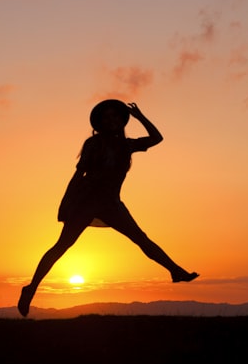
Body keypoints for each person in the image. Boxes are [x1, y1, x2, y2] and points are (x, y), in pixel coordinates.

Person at [18, 100, 198, 317]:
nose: (111, 120)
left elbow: (157, 138)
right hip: (86, 201)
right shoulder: (93, 144)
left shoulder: (126, 145)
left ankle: (175, 271)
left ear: (122, 121)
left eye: (116, 117)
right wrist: (66, 202)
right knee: (63, 245)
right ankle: (31, 288)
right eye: (107, 117)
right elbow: (78, 175)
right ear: (100, 123)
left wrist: (140, 116)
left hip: (112, 203)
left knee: (141, 238)